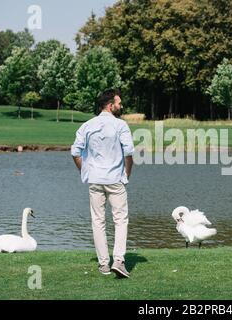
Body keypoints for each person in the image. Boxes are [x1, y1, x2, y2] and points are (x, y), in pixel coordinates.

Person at [71, 88, 134, 278]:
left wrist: (86, 171)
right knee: (120, 220)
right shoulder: (120, 125)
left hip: (95, 180)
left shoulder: (87, 125)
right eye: (118, 103)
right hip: (115, 179)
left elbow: (75, 152)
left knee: (98, 221)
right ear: (110, 105)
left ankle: (104, 265)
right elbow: (129, 153)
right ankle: (119, 261)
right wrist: (126, 176)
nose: (120, 105)